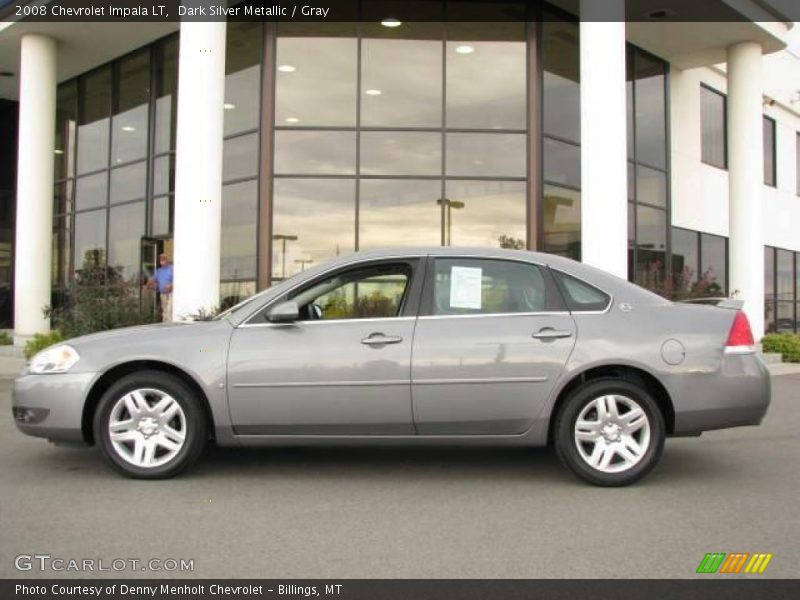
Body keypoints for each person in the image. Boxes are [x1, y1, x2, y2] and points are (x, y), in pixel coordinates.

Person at [149, 253, 174, 322]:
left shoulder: (172, 269)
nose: (162, 261)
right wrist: (149, 285)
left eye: (164, 259)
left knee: (169, 310)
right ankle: (165, 324)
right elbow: (153, 280)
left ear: (167, 260)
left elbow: (178, 280)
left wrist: (171, 285)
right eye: (161, 260)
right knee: (164, 310)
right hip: (162, 293)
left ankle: (170, 325)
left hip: (171, 293)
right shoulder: (159, 271)